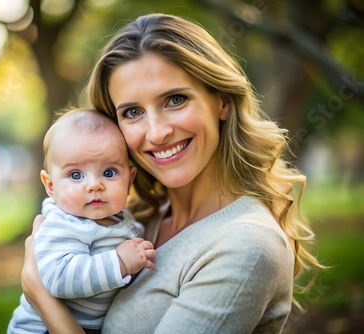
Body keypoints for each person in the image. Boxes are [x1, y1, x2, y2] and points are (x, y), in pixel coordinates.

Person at [20, 13, 323, 333]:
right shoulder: (135, 219)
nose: (156, 132)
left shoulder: (246, 245)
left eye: (175, 100)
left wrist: (41, 295)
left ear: (221, 101)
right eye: (133, 112)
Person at [7, 108, 156, 333]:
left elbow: (125, 235)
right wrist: (119, 262)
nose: (94, 185)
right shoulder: (64, 224)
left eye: (109, 172)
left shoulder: (117, 216)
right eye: (76, 175)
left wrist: (139, 246)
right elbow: (58, 278)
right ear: (50, 186)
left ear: (129, 179)